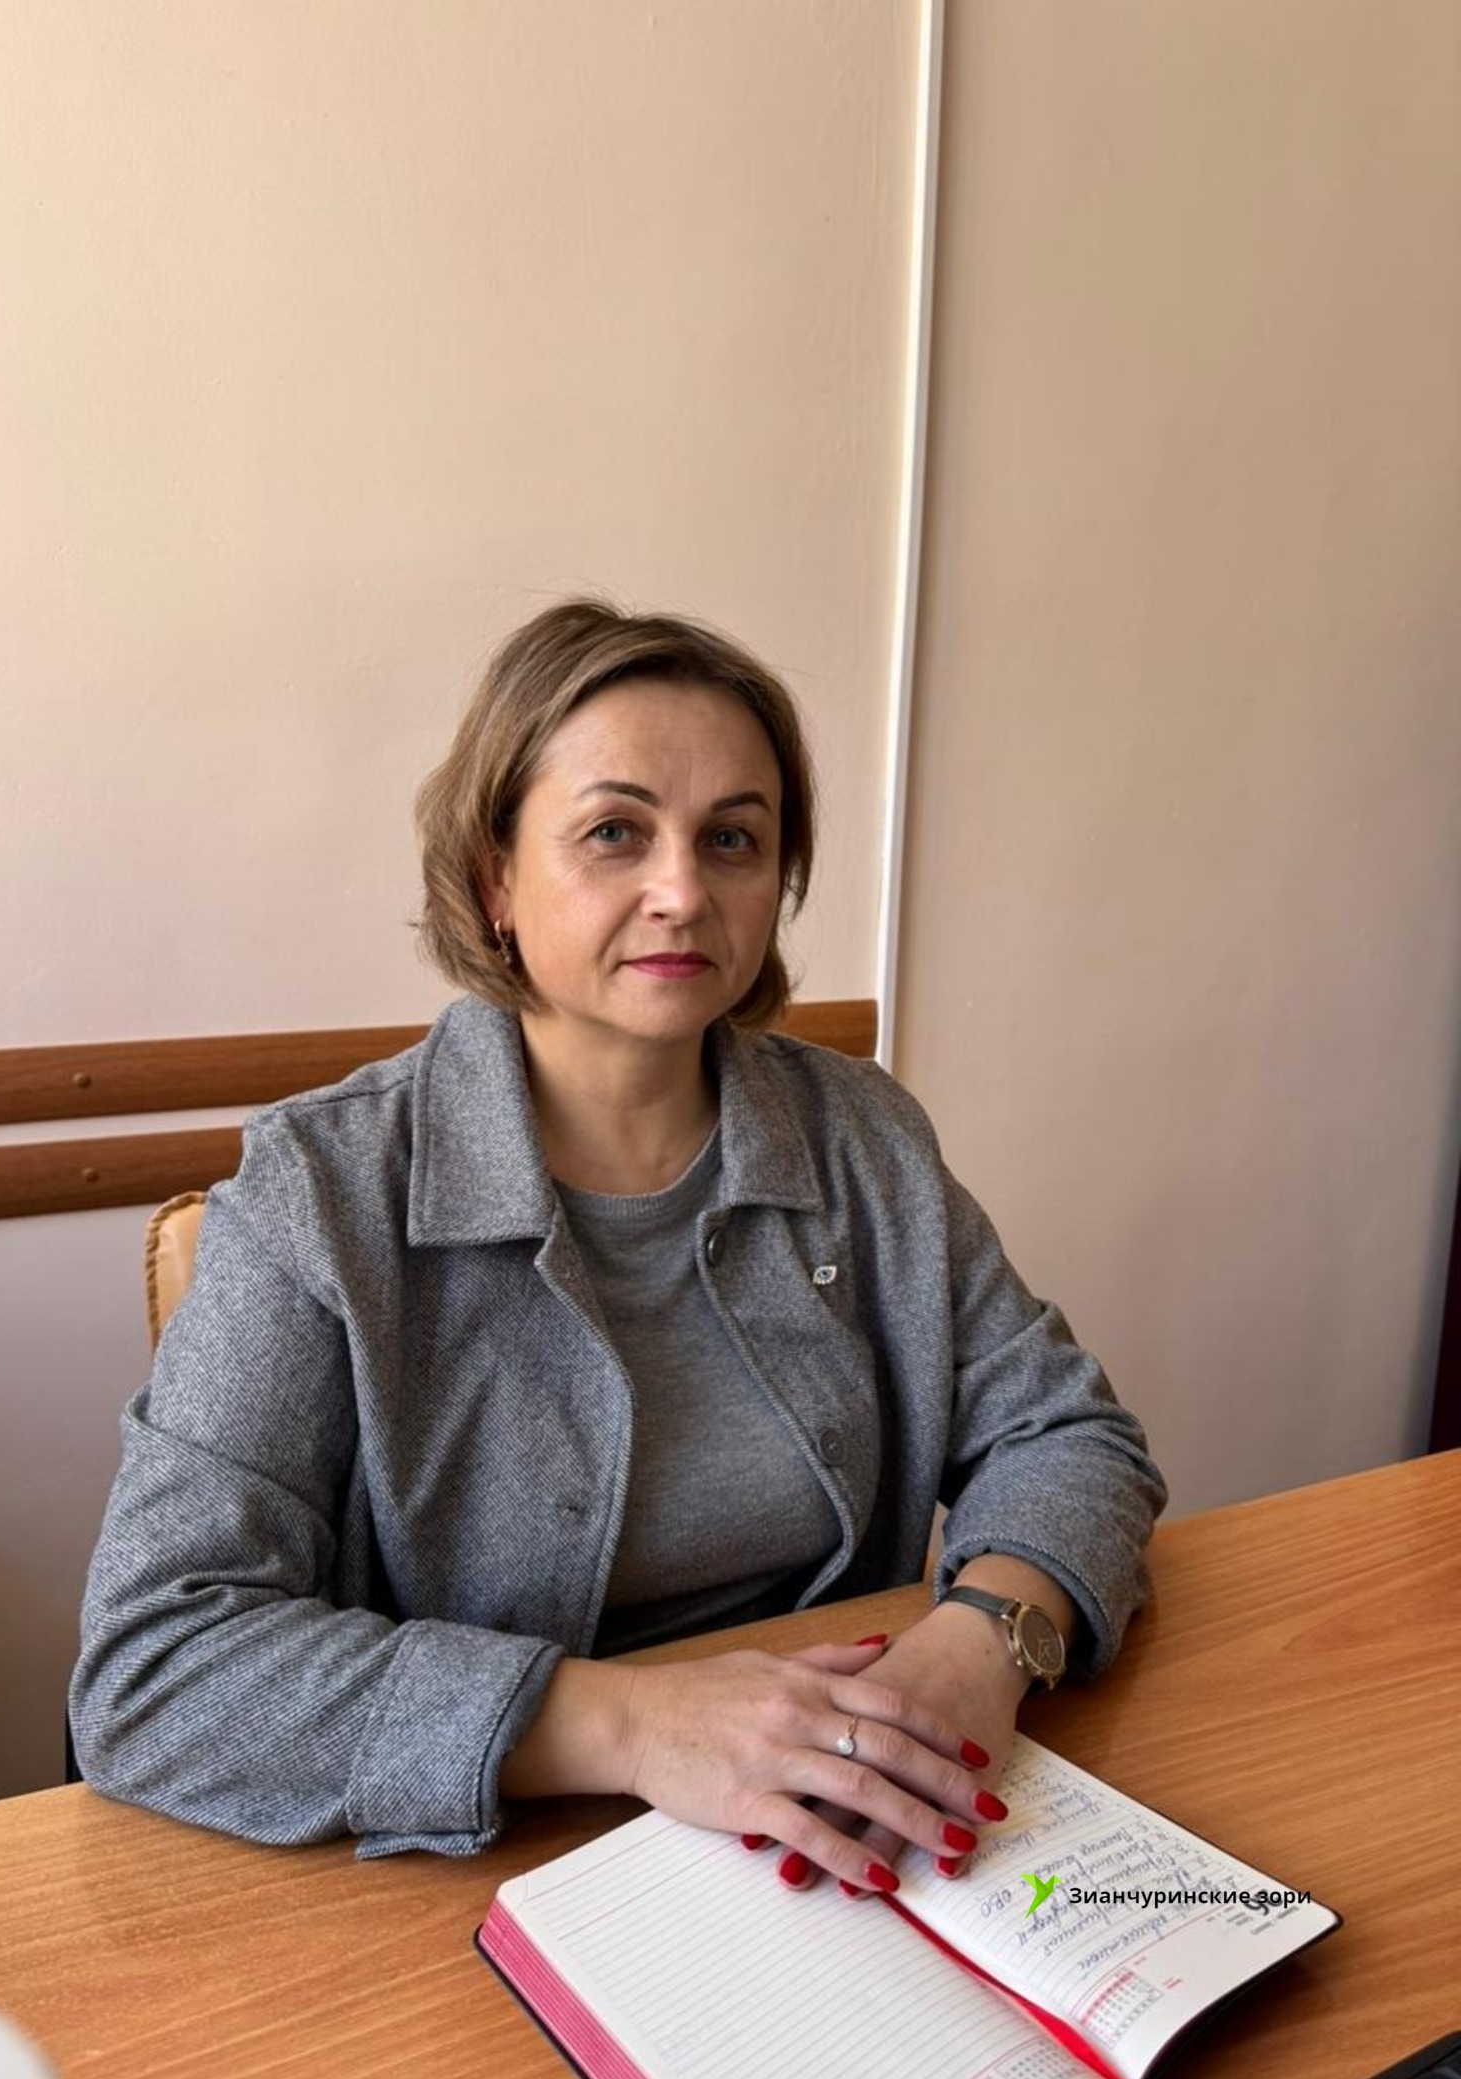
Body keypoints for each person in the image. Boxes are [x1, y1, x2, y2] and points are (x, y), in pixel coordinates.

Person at [70, 598, 1165, 1900]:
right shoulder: (318, 1191)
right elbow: (156, 1667)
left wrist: (985, 1642)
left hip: (847, 1826)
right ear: (494, 877)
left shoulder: (864, 1137)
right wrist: (635, 1726)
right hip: (481, 1872)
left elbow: (1071, 1436)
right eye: (614, 832)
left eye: (734, 838)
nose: (683, 892)